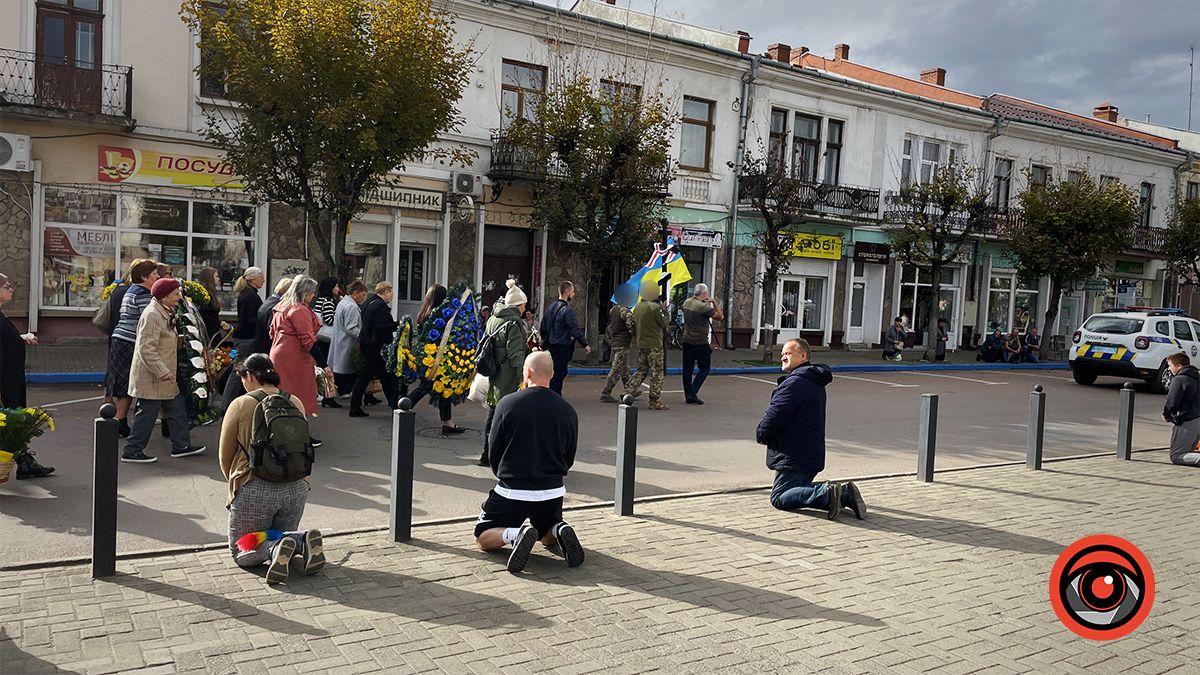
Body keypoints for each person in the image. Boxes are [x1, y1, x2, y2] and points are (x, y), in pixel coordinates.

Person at [475, 351, 585, 574]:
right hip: (552, 489)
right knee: (546, 535)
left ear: (527, 373)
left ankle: (515, 534)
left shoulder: (508, 404)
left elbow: (494, 448)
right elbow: (569, 456)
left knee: (483, 537)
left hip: (513, 490)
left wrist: (502, 474)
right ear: (552, 374)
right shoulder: (567, 411)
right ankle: (558, 529)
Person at [219, 354, 325, 583]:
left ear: (249, 376)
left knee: (242, 548)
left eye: (242, 377)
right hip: (296, 486)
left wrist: (236, 484)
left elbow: (225, 455)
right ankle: (301, 540)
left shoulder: (241, 404)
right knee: (277, 532)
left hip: (254, 486)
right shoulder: (294, 401)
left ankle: (274, 549)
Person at [755, 338, 865, 520]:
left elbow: (774, 416)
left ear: (803, 355)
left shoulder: (794, 383)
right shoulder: (813, 380)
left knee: (779, 497)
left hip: (794, 454)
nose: (783, 357)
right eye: (782, 354)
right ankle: (843, 494)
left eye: (788, 353)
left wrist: (761, 434)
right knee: (797, 491)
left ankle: (832, 493)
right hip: (809, 453)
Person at [122, 278, 205, 463]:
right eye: (176, 294)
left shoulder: (164, 311)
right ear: (164, 296)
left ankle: (181, 446)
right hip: (154, 376)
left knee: (176, 410)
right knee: (146, 414)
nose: (179, 297)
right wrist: (162, 371)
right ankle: (132, 450)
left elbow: (166, 340)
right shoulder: (152, 315)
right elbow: (146, 348)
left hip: (166, 375)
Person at [0, 273, 54, 479]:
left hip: (11, 378)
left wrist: (20, 338)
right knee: (10, 422)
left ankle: (24, 462)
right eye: (6, 286)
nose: (11, 288)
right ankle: (24, 462)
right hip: (4, 382)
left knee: (13, 422)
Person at [400, 284, 465, 433]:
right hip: (437, 358)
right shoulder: (437, 315)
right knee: (428, 387)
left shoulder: (424, 312)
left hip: (427, 356)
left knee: (442, 389)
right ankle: (402, 407)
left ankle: (447, 422)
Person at [108, 259, 161, 437]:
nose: (158, 276)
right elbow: (149, 320)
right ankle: (119, 421)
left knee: (125, 381)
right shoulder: (143, 294)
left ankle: (119, 420)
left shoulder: (132, 290)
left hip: (121, 339)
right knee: (129, 381)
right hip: (130, 341)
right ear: (144, 277)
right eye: (154, 274)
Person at [481, 280, 530, 467]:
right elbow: (516, 354)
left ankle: (487, 452)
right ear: (517, 305)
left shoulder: (494, 317)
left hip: (495, 372)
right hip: (508, 375)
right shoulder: (513, 323)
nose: (525, 308)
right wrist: (522, 378)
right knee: (507, 415)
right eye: (523, 304)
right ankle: (502, 455)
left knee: (493, 412)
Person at [269, 275, 322, 417]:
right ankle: (297, 427)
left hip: (279, 350)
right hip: (294, 355)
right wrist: (324, 364)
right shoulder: (299, 310)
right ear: (304, 292)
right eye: (311, 292)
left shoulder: (281, 305)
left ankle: (279, 425)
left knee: (282, 392)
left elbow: (272, 331)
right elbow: (308, 340)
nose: (313, 295)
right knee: (299, 394)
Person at [350, 282, 401, 416]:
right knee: (377, 376)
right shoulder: (381, 307)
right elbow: (381, 327)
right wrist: (398, 324)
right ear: (385, 292)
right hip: (376, 346)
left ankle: (393, 404)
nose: (391, 296)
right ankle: (356, 407)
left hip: (367, 344)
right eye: (391, 293)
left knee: (380, 376)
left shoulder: (369, 302)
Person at [221, 266, 265, 409]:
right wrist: (262, 320)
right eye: (260, 277)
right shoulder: (250, 296)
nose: (263, 280)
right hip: (247, 338)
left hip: (244, 337)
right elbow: (247, 319)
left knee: (241, 370)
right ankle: (226, 404)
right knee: (237, 371)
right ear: (252, 279)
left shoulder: (248, 294)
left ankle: (232, 402)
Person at [540, 281, 590, 395]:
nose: (574, 294)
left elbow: (543, 326)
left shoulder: (550, 308)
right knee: (559, 374)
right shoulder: (567, 310)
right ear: (567, 292)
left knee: (552, 373)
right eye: (572, 292)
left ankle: (550, 395)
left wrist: (544, 339)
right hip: (562, 346)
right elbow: (574, 329)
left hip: (550, 345)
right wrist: (585, 344)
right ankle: (555, 397)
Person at [625, 282, 669, 410]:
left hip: (642, 343)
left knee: (641, 370)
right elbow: (664, 323)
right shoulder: (654, 307)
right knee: (657, 372)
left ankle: (629, 390)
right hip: (654, 344)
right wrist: (664, 311)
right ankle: (654, 400)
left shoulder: (638, 307)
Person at [680, 283, 724, 405]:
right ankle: (692, 393)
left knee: (687, 369)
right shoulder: (703, 307)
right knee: (704, 368)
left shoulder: (687, 302)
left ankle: (688, 394)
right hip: (700, 341)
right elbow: (720, 317)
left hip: (687, 340)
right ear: (704, 294)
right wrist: (714, 302)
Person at [331, 280, 368, 398]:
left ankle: (341, 390)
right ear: (355, 293)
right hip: (347, 343)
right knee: (346, 368)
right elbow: (351, 328)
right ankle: (345, 391)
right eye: (362, 295)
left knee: (339, 367)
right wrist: (362, 337)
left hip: (340, 340)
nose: (363, 298)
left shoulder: (343, 303)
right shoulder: (351, 307)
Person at [600, 285, 636, 404]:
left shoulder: (614, 309)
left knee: (624, 370)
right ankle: (606, 393)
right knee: (616, 370)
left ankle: (630, 391)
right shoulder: (625, 312)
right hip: (622, 343)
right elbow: (632, 327)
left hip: (615, 342)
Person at [1162, 352, 1200, 467]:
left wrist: (1166, 415)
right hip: (1197, 418)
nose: (1169, 369)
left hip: (1187, 420)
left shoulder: (1179, 379)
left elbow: (1172, 401)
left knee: (1176, 456)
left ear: (1179, 366)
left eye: (1170, 365)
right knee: (1188, 450)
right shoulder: (1197, 378)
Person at [312, 277, 342, 409]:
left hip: (319, 336)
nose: (337, 289)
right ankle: (328, 396)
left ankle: (324, 394)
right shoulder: (329, 301)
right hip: (327, 337)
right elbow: (329, 319)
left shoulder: (319, 300)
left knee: (321, 366)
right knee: (327, 367)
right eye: (335, 286)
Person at [255, 276, 293, 356]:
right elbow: (273, 330)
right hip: (269, 348)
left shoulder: (268, 302)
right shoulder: (277, 307)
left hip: (261, 346)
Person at [195, 266, 225, 341]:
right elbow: (204, 315)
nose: (218, 279)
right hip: (208, 334)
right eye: (216, 276)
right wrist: (220, 323)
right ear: (209, 278)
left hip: (213, 332)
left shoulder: (211, 294)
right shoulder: (204, 295)